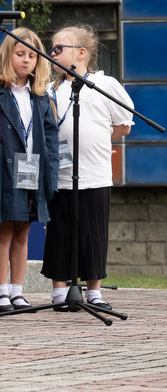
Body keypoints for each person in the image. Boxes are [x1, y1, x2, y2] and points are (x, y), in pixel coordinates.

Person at [43, 26, 134, 311]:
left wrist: (98, 138)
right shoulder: (51, 88)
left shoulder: (104, 85)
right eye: (52, 48)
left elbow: (124, 123)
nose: (52, 53)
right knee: (60, 230)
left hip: (94, 173)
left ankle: (94, 291)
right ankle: (60, 292)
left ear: (81, 53)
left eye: (59, 48)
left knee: (93, 232)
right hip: (61, 174)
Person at [0, 27, 59, 313]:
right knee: (4, 231)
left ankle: (17, 291)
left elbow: (50, 141)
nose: (26, 60)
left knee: (24, 232)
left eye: (32, 56)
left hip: (33, 171)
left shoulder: (40, 97)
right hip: (4, 169)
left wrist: (50, 179)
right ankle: (1, 292)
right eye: (20, 54)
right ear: (7, 56)